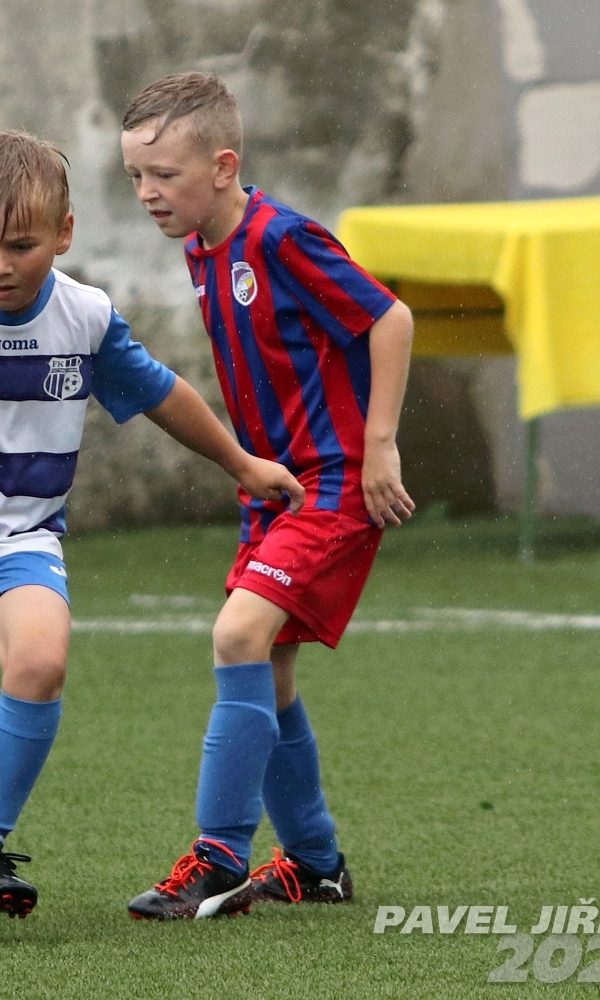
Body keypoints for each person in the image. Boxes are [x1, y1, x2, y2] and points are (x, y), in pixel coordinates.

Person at [0, 130, 303, 925]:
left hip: (19, 538)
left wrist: (240, 463)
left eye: (21, 246)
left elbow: (159, 391)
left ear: (64, 233)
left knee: (39, 661)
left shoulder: (84, 317)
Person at [119, 72, 415, 920]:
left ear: (222, 167)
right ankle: (316, 864)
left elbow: (388, 319)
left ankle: (217, 858)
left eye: (163, 175)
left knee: (237, 635)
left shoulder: (281, 237)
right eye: (135, 176)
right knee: (270, 666)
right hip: (278, 490)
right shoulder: (200, 249)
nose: (147, 193)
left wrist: (379, 446)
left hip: (333, 482)